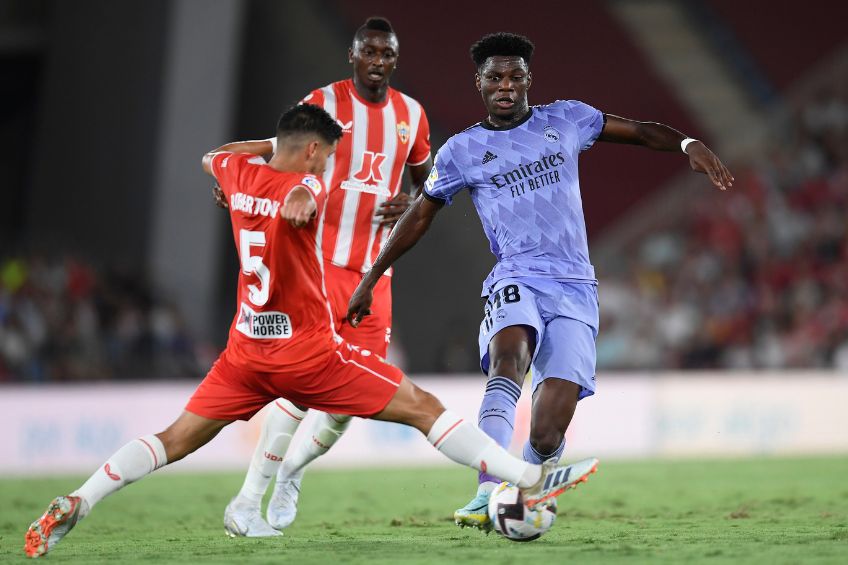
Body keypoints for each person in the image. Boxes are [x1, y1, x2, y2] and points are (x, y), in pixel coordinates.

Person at [23, 103, 596, 558]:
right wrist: (299, 193)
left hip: (245, 352)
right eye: (324, 159)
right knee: (421, 405)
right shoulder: (309, 187)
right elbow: (301, 194)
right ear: (314, 152)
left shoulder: (234, 170)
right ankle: (527, 475)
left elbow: (212, 156)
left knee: (174, 439)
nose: (325, 171)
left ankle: (81, 499)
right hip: (308, 355)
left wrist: (271, 152)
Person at [346, 32, 733, 531]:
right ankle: (487, 491)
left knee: (552, 426)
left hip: (574, 286)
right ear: (479, 84)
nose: (505, 86)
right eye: (494, 78)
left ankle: (528, 478)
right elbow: (420, 215)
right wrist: (372, 274)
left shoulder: (567, 119)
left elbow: (637, 132)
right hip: (515, 275)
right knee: (509, 360)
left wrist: (686, 143)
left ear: (529, 79)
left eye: (514, 76)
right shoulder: (463, 150)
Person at [214, 16, 434, 536]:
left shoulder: (412, 115)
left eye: (387, 54)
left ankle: (291, 473)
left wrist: (412, 199)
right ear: (352, 56)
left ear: (395, 60)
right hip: (317, 265)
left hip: (374, 272)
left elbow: (433, 184)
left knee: (347, 404)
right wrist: (227, 164)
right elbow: (278, 148)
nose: (378, 62)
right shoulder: (324, 102)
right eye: (370, 52)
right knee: (298, 385)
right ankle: (248, 498)